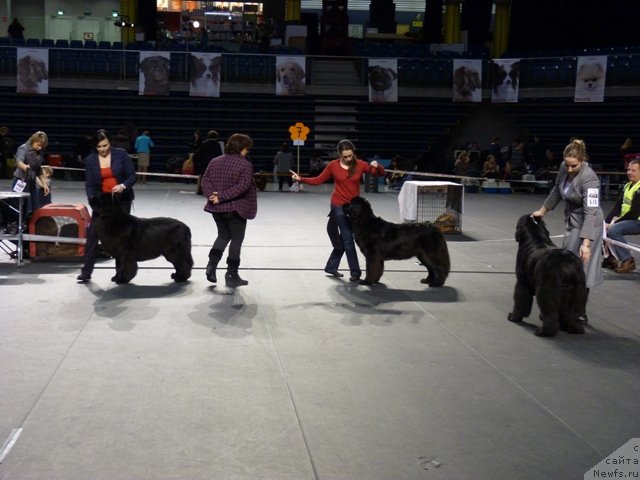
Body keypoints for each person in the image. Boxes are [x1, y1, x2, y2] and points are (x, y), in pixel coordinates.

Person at [291, 139, 385, 281]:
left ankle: (331, 266)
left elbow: (380, 174)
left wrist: (377, 166)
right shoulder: (333, 166)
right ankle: (355, 272)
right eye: (345, 156)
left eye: (350, 155)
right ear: (339, 154)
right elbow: (318, 180)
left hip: (355, 209)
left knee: (343, 238)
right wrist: (301, 179)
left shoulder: (360, 164)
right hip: (339, 206)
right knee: (348, 239)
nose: (348, 158)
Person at [532, 138, 603, 324]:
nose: (569, 170)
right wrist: (542, 211)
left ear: (583, 160)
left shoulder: (590, 178)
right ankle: (560, 309)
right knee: (564, 267)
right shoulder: (564, 167)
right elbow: (557, 191)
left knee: (582, 269)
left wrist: (586, 243)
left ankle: (579, 311)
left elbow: (591, 212)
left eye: (574, 166)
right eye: (567, 165)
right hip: (572, 221)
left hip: (591, 224)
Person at [77, 129, 137, 282]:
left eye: (105, 145)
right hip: (102, 205)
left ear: (110, 143)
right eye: (99, 147)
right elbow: (90, 184)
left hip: (121, 202)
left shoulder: (121, 154)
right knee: (92, 236)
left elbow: (132, 176)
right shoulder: (90, 160)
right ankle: (86, 272)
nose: (103, 149)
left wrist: (123, 185)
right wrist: (92, 200)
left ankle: (121, 273)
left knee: (120, 238)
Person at [200, 133, 256, 288]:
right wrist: (222, 197)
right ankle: (231, 274)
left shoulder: (215, 161)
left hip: (217, 209)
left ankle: (211, 265)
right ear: (241, 148)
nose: (248, 151)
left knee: (223, 236)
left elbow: (205, 181)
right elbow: (242, 187)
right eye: (246, 148)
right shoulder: (245, 164)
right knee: (236, 240)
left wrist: (213, 196)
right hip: (235, 208)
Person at [602, 159, 640, 273]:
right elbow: (617, 207)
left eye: (633, 170)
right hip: (629, 219)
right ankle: (610, 258)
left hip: (637, 220)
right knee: (602, 227)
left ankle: (628, 260)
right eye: (628, 169)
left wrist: (614, 223)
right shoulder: (627, 185)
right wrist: (605, 222)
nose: (629, 172)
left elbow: (635, 212)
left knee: (613, 230)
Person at [11, 131, 50, 218]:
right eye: (38, 145)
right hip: (21, 180)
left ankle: (31, 226)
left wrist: (44, 184)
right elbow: (19, 161)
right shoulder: (23, 148)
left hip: (32, 182)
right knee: (21, 206)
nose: (40, 148)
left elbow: (38, 169)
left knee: (35, 205)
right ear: (33, 140)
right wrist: (25, 167)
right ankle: (17, 225)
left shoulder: (40, 151)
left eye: (42, 146)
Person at [194, 130, 223, 195]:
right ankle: (212, 191)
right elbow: (220, 155)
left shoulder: (204, 143)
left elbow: (199, 153)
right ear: (216, 137)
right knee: (214, 178)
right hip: (214, 163)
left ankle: (201, 191)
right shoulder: (217, 144)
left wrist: (199, 162)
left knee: (203, 177)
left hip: (205, 163)